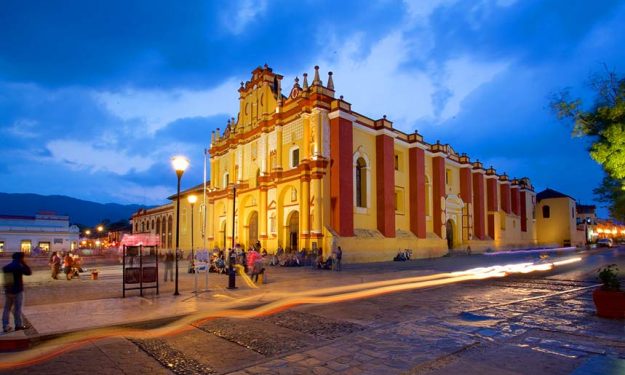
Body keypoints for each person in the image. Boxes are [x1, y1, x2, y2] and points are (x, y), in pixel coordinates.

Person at [3, 252, 32, 332]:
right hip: (18, 291)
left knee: (7, 309)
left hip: (8, 291)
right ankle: (18, 325)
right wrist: (24, 263)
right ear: (21, 258)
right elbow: (29, 272)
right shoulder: (19, 266)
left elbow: (7, 280)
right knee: (17, 309)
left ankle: (5, 326)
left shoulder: (7, 267)